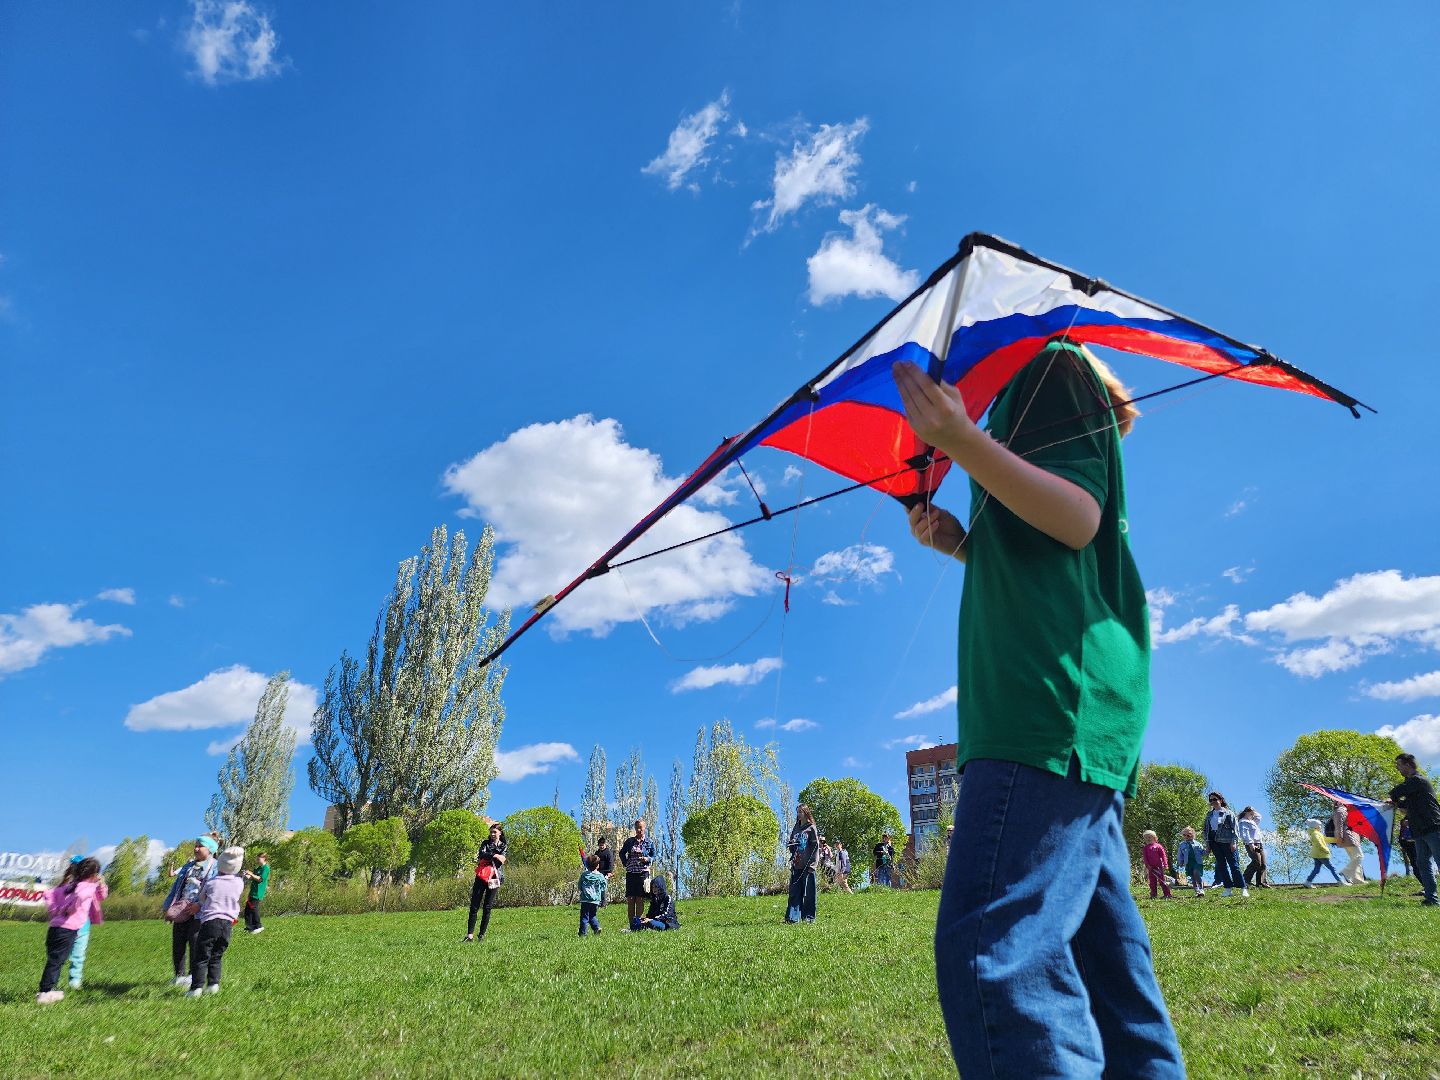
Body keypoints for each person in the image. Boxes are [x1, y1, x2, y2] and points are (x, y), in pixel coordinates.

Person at [895, 341, 1184, 1076]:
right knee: (1110, 979)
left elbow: (1078, 518)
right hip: (1072, 707)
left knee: (993, 950)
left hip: (1045, 703)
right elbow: (1049, 547)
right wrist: (966, 545)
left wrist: (963, 440)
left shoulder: (1051, 364)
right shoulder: (1034, 387)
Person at [37, 856, 106, 1004]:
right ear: (94, 875)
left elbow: (49, 894)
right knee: (56, 961)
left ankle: (48, 989)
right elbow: (81, 896)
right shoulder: (85, 887)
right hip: (67, 929)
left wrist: (57, 910)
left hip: (55, 928)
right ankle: (45, 992)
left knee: (55, 960)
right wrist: (69, 908)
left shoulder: (70, 886)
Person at [188, 846, 245, 998]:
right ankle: (213, 984)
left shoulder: (211, 883)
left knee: (201, 956)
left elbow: (201, 899)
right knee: (217, 955)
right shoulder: (239, 883)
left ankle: (196, 988)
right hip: (227, 924)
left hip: (210, 922)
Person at [1384, 752, 1440, 906]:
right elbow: (1407, 806)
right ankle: (1431, 900)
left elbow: (1395, 792)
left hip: (1433, 827)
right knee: (1422, 864)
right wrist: (1395, 804)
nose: (1398, 769)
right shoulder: (1412, 788)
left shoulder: (1417, 780)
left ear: (1408, 765)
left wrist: (1393, 798)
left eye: (1399, 765)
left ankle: (1431, 898)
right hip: (1420, 831)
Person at [164, 836, 218, 987]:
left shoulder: (215, 867)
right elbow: (176, 888)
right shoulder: (188, 867)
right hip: (182, 909)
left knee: (195, 943)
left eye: (200, 846)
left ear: (210, 850)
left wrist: (199, 905)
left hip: (199, 912)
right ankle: (179, 975)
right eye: (195, 845)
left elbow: (214, 890)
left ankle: (193, 975)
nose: (196, 849)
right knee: (178, 942)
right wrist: (169, 907)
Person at [465, 823, 507, 942]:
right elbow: (481, 855)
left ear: (500, 833)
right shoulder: (485, 843)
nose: (492, 834)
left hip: (494, 877)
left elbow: (502, 861)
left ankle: (481, 935)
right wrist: (494, 855)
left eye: (495, 832)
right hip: (481, 876)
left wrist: (494, 857)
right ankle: (469, 936)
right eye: (491, 832)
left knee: (487, 907)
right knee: (474, 906)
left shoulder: (504, 845)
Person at [1203, 792, 1247, 898]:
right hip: (1214, 843)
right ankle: (1228, 888)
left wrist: (1234, 842)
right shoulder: (1209, 815)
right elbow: (1206, 830)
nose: (1213, 802)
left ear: (1221, 800)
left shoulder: (1228, 813)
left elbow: (1235, 829)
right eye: (1211, 800)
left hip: (1227, 842)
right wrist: (1208, 844)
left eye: (1215, 799)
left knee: (1234, 865)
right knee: (1221, 866)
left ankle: (1243, 888)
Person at [786, 805, 820, 923]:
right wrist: (791, 844)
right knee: (794, 892)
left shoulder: (811, 828)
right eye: (797, 812)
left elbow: (816, 847)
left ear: (806, 813)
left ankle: (809, 918)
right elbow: (791, 845)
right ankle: (792, 918)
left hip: (808, 866)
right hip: (796, 865)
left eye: (800, 812)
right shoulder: (796, 828)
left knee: (809, 894)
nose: (798, 814)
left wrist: (813, 865)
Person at [619, 819, 654, 929]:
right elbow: (622, 853)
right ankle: (631, 925)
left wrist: (647, 859)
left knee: (639, 899)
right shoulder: (629, 841)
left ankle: (638, 924)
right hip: (631, 873)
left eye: (641, 827)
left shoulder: (649, 842)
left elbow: (654, 856)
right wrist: (625, 863)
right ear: (635, 829)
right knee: (630, 900)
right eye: (637, 827)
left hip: (642, 873)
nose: (639, 830)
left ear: (645, 828)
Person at [1328, 803, 1366, 885]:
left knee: (1355, 858)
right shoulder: (1340, 810)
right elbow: (1339, 826)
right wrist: (1339, 837)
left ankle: (1357, 880)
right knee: (1359, 856)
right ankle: (1345, 871)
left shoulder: (1343, 810)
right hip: (1348, 837)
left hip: (1350, 837)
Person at [576, 849, 606, 936]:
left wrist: (583, 890)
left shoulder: (584, 875)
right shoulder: (600, 876)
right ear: (597, 866)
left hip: (585, 899)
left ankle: (583, 933)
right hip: (596, 900)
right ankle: (596, 927)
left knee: (584, 917)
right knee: (592, 915)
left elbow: (580, 885)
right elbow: (604, 886)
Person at [1305, 818, 1343, 886]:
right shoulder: (1315, 834)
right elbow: (1318, 843)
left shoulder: (1317, 833)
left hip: (1317, 854)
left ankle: (1308, 882)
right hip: (1321, 854)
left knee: (1316, 870)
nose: (1321, 826)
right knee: (1332, 868)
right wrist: (1325, 850)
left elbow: (1325, 839)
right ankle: (1340, 881)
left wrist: (1336, 840)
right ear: (1315, 826)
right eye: (1319, 825)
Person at [1238, 807, 1269, 889]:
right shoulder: (1243, 821)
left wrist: (1253, 811)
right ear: (1246, 813)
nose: (1253, 815)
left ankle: (1261, 883)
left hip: (1259, 843)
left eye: (1253, 814)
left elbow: (1259, 817)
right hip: (1251, 844)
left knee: (1263, 864)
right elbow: (1244, 834)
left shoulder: (1252, 821)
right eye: (1251, 814)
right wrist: (1251, 844)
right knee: (1256, 862)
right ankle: (1245, 880)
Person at [242, 851, 270, 933]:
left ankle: (258, 926)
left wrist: (251, 874)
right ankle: (249, 926)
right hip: (252, 891)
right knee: (248, 909)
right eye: (257, 859)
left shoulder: (266, 868)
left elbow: (260, 879)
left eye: (259, 859)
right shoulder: (257, 869)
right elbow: (252, 878)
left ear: (264, 859)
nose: (257, 860)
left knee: (254, 908)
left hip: (258, 892)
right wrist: (247, 875)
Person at [1140, 831, 1172, 900]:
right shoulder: (1145, 848)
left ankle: (1167, 894)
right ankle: (1153, 894)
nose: (1148, 839)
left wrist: (1165, 864)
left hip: (1159, 867)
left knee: (1162, 880)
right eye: (1146, 838)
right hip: (1151, 868)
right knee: (1152, 881)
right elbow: (1145, 858)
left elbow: (1163, 856)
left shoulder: (1158, 846)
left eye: (1149, 837)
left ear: (1154, 838)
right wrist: (1147, 865)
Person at [1177, 827, 1205, 897]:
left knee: (1196, 873)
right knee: (1193, 877)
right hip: (1188, 863)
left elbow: (1203, 852)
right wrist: (1180, 862)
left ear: (1193, 835)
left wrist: (1208, 850)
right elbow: (1180, 855)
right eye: (1184, 835)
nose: (1186, 837)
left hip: (1197, 862)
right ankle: (1197, 890)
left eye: (1188, 835)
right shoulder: (1182, 845)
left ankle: (1201, 888)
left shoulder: (1197, 844)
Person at [594, 834, 614, 907]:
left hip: (605, 873)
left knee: (603, 888)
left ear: (605, 844)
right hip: (597, 872)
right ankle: (597, 902)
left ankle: (603, 902)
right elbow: (594, 862)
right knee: (597, 888)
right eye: (600, 845)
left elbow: (610, 862)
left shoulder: (608, 852)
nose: (601, 846)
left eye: (602, 845)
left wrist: (609, 872)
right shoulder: (597, 853)